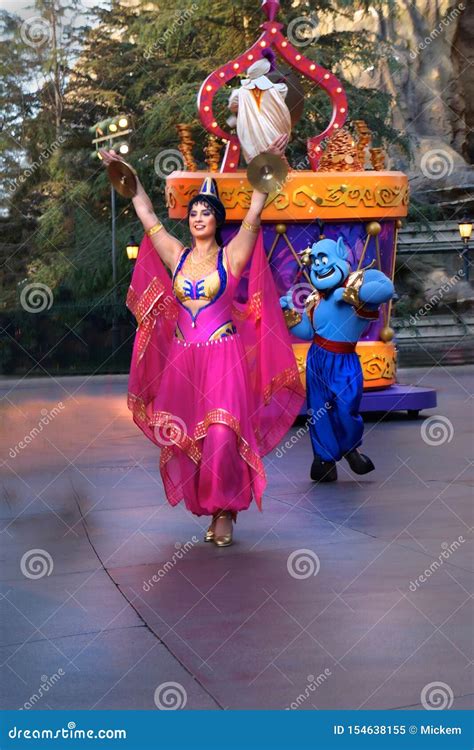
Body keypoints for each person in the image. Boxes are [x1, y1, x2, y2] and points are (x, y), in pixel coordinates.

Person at [100, 135, 304, 546]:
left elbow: (254, 212)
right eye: (192, 212)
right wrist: (130, 179)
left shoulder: (232, 257)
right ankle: (210, 508)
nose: (197, 217)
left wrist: (269, 166)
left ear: (216, 220)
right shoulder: (175, 255)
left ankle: (226, 508)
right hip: (182, 359)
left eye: (205, 213)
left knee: (223, 435)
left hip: (223, 358)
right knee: (192, 435)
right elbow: (147, 216)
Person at [281, 236, 394, 482]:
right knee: (318, 410)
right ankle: (324, 458)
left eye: (324, 259)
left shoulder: (357, 282)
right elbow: (308, 333)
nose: (319, 266)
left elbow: (386, 290)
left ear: (340, 255)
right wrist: (289, 314)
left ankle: (352, 448)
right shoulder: (314, 299)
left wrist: (353, 293)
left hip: (344, 359)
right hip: (317, 359)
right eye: (315, 262)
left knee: (346, 407)